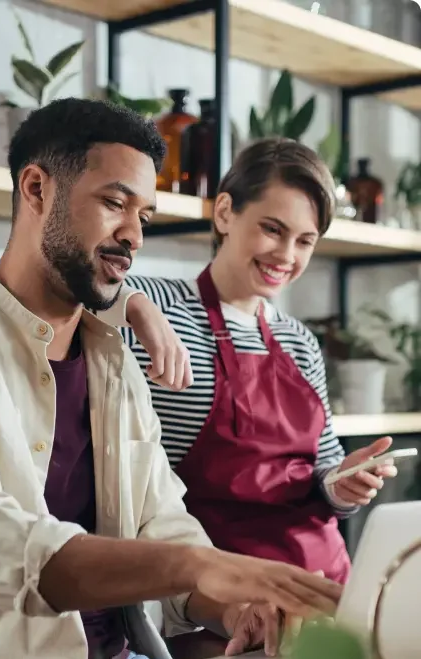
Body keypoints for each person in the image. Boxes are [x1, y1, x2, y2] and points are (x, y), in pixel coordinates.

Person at [0, 101, 341, 659]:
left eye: (143, 214)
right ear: (36, 188)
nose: (135, 236)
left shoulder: (114, 360)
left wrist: (236, 605)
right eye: (115, 204)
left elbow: (162, 520)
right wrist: (201, 567)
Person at [121, 138, 398, 595]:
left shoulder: (299, 340)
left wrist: (343, 483)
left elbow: (322, 474)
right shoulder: (160, 306)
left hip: (321, 582)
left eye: (305, 241)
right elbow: (75, 290)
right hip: (214, 593)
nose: (286, 255)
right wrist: (134, 303)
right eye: (273, 229)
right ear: (226, 212)